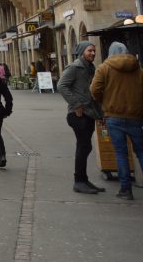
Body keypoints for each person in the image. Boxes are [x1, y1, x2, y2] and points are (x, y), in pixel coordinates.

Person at [90, 42, 143, 200]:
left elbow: (94, 90)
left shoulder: (104, 68)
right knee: (141, 152)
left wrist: (105, 102)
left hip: (113, 116)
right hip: (135, 116)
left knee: (121, 154)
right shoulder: (138, 69)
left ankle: (125, 190)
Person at [57, 42, 106, 194]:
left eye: (94, 50)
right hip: (77, 114)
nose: (92, 53)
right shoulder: (74, 67)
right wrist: (76, 104)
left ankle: (84, 180)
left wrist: (100, 114)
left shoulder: (91, 68)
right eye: (89, 50)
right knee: (84, 146)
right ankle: (79, 181)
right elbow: (61, 85)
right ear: (82, 52)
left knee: (85, 146)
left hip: (89, 113)